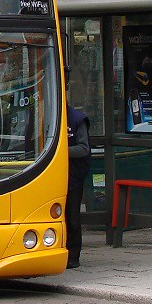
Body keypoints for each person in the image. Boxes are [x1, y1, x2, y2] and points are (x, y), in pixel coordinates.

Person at [65, 104, 92, 269]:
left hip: (73, 176)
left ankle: (73, 256)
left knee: (72, 216)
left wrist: (61, 150)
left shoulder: (77, 119)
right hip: (54, 174)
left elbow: (84, 148)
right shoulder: (46, 115)